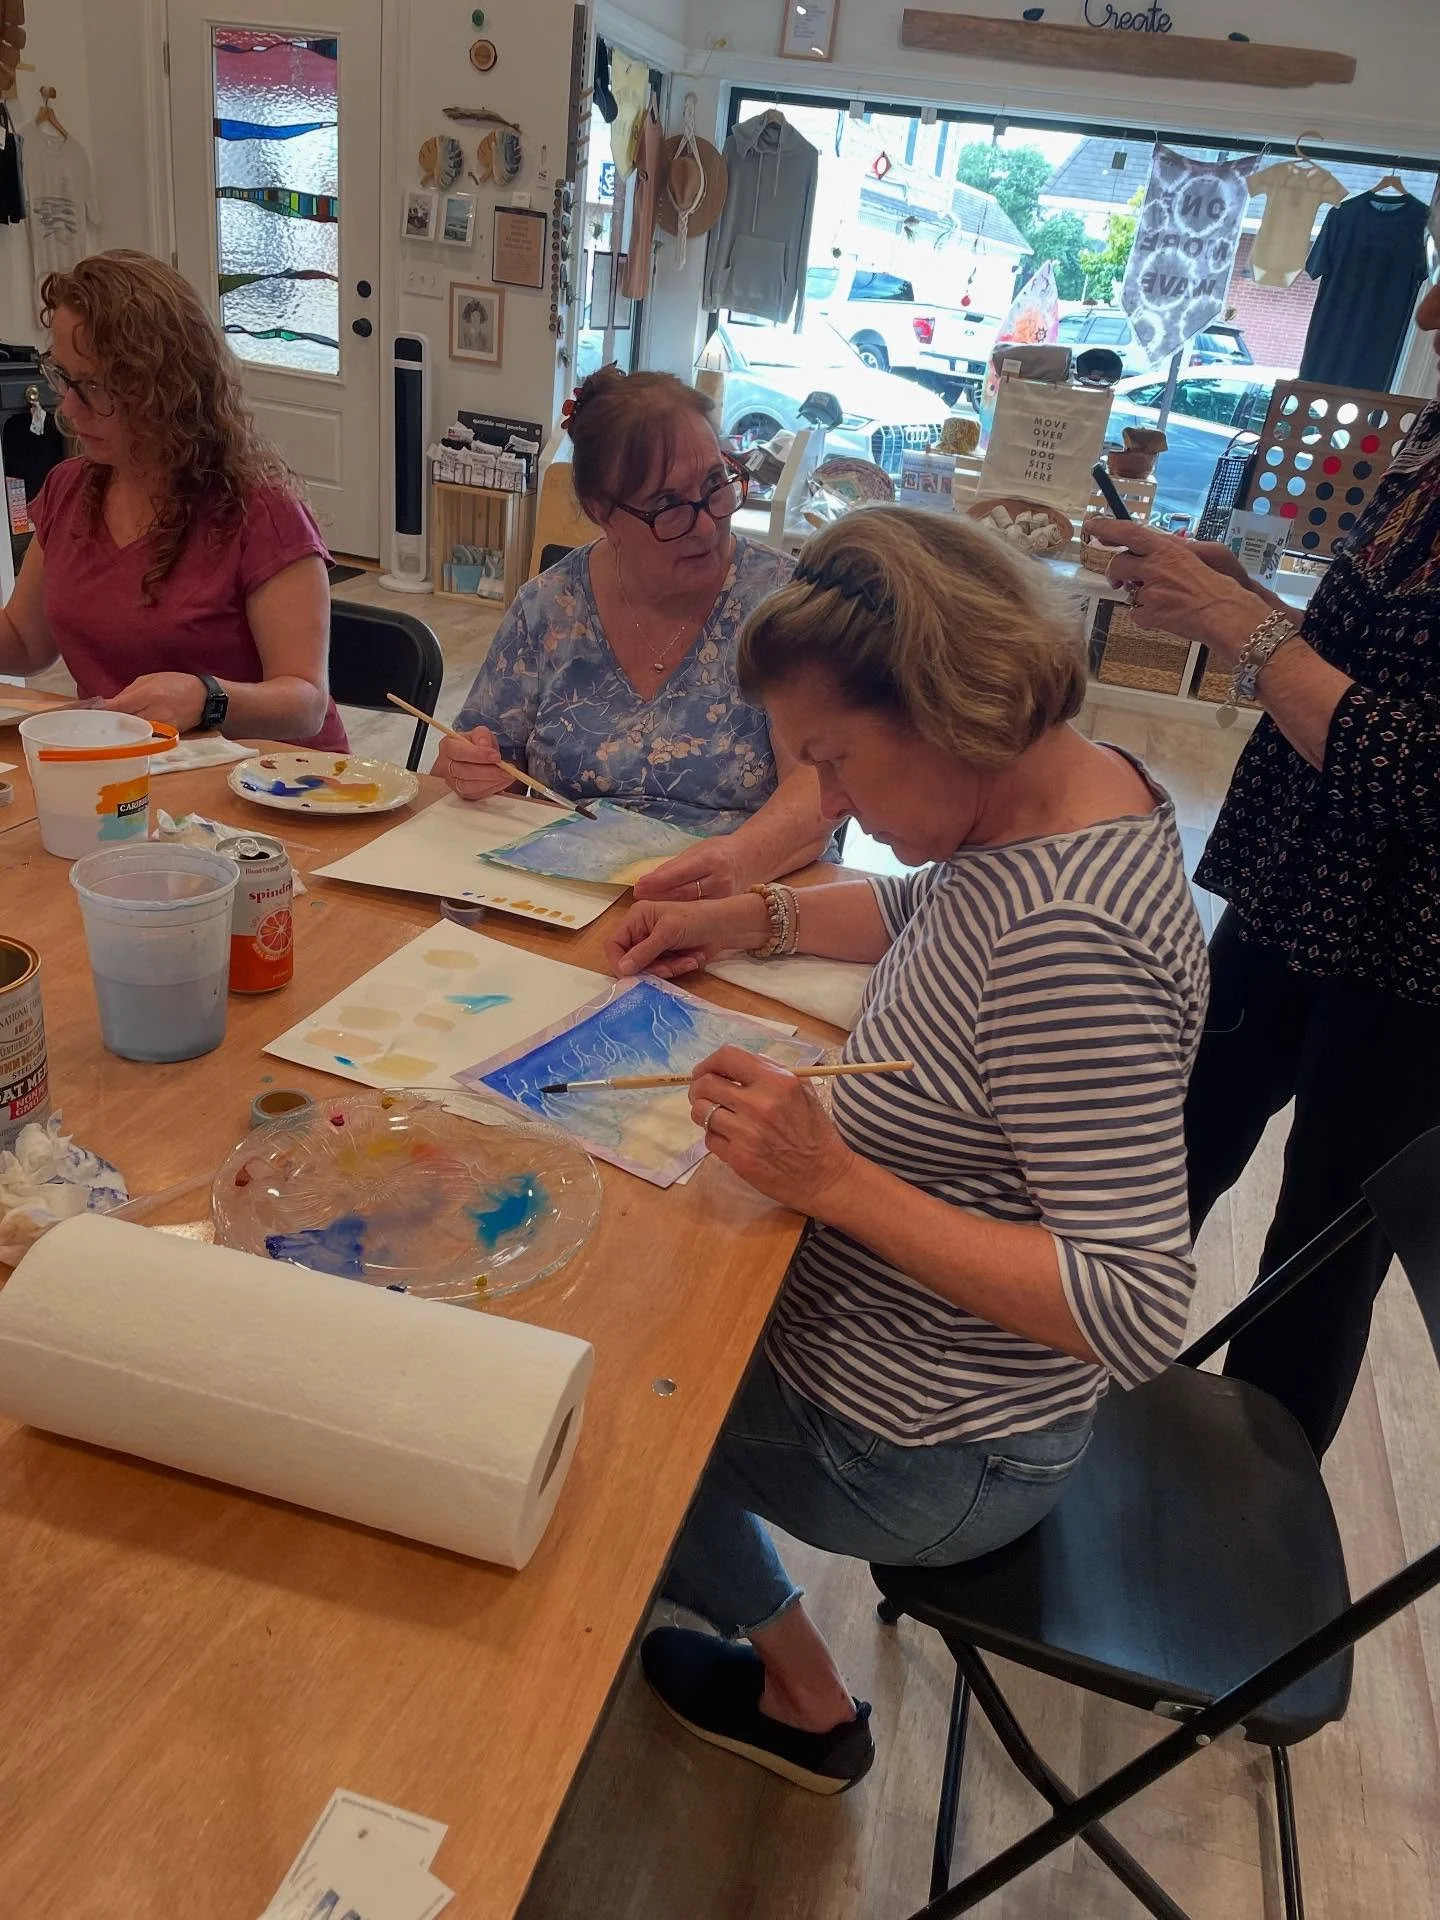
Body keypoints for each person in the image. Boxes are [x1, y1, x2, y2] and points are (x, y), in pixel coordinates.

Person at [603, 508, 1209, 1791]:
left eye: (835, 762)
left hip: (934, 1450)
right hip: (918, 1370)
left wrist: (834, 1181)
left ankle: (803, 1699)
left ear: (942, 708)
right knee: (634, 1276)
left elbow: (1137, 1306)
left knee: (595, 1373)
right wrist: (750, 915)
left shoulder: (1070, 943)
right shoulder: (1056, 795)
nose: (830, 806)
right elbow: (927, 910)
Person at [1085, 271, 1440, 1460]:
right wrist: (1238, 595)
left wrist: (1246, 630)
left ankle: (1252, 1499)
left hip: (1416, 955)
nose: (1427, 317)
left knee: (1321, 1250)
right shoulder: (1432, 441)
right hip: (1303, 878)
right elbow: (1364, 655)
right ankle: (1047, 1394)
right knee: (1170, 1136)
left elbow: (1425, 771)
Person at [437, 368, 830, 902]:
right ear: (603, 513)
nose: (706, 524)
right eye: (668, 506)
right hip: (564, 896)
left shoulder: (784, 605)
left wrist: (730, 864)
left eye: (715, 485)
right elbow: (479, 762)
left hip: (741, 901)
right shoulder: (548, 608)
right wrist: (471, 769)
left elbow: (817, 793)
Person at [0, 251, 342, 749]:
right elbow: (24, 641)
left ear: (165, 389)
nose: (69, 409)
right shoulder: (70, 488)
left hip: (270, 778)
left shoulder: (260, 511)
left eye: (93, 387)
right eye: (64, 378)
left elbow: (305, 704)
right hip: (136, 768)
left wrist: (208, 699)